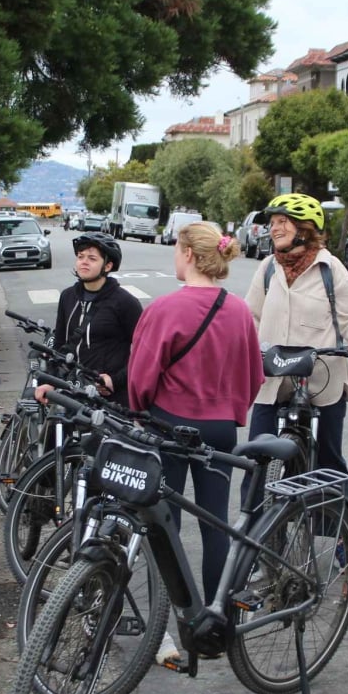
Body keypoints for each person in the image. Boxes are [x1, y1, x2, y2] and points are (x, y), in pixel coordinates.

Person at [128, 222, 263, 658]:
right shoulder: (239, 310)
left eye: (175, 248)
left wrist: (141, 412)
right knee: (215, 523)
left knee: (163, 527)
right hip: (220, 427)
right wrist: (232, 411)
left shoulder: (165, 309)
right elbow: (253, 375)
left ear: (188, 253)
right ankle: (216, 622)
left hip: (168, 426)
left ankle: (166, 626)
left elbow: (141, 377)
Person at [243, 193, 348, 493]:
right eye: (272, 223)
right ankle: (252, 531)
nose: (274, 228)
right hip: (273, 379)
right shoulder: (267, 269)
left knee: (328, 462)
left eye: (282, 222)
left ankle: (337, 535)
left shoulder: (330, 269)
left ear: (304, 228)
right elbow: (250, 318)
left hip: (322, 378)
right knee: (257, 459)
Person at [37, 232, 140, 401]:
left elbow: (144, 353)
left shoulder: (125, 302)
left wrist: (115, 380)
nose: (84, 261)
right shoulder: (68, 296)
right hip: (72, 390)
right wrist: (52, 380)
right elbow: (60, 344)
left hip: (109, 396)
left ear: (107, 266)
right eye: (80, 256)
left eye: (92, 258)